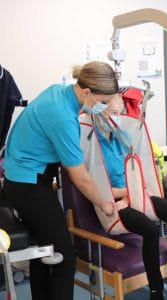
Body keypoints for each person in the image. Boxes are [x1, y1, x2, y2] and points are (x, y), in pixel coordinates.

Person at [2, 61, 118, 300]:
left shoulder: (58, 91)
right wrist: (104, 203)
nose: (105, 106)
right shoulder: (62, 116)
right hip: (29, 185)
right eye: (104, 101)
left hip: (19, 179)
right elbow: (80, 177)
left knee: (42, 249)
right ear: (86, 92)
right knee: (64, 254)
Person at [84, 96, 167, 300]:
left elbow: (135, 172)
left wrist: (137, 192)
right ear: (98, 113)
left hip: (134, 194)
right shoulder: (92, 145)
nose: (118, 118)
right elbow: (98, 189)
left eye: (120, 114)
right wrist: (128, 194)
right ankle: (156, 291)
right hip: (113, 204)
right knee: (150, 229)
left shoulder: (121, 138)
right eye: (114, 114)